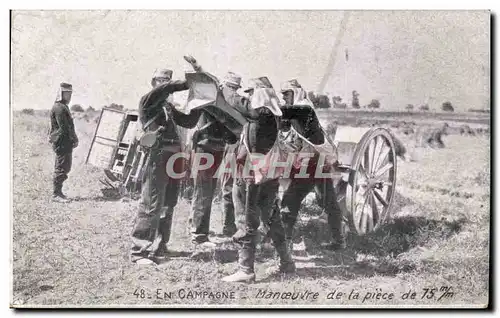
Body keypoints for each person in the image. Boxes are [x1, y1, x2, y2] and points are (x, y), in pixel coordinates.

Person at [130, 55, 205, 265]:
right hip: (158, 155)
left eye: (166, 80)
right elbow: (166, 90)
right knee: (151, 202)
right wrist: (190, 80)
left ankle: (161, 245)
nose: (163, 84)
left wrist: (200, 102)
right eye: (160, 81)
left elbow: (189, 122)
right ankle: (139, 251)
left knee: (169, 202)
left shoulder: (168, 107)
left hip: (175, 155)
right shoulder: (147, 101)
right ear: (154, 84)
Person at [222, 77, 295, 283]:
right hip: (268, 176)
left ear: (260, 94)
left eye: (252, 92)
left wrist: (226, 89)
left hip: (252, 176)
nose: (249, 96)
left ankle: (246, 270)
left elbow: (239, 103)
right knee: (272, 218)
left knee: (246, 220)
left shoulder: (261, 114)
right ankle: (287, 262)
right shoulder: (273, 115)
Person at [278, 79, 346, 251]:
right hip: (312, 162)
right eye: (283, 94)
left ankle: (284, 244)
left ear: (296, 92)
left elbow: (284, 113)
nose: (284, 97)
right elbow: (284, 126)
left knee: (290, 200)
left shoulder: (304, 108)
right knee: (328, 201)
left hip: (313, 163)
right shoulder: (296, 110)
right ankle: (339, 240)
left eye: (286, 93)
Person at [188, 72, 243, 245]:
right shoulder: (212, 100)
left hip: (215, 149)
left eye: (236, 88)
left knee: (207, 191)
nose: (234, 91)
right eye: (231, 87)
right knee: (203, 191)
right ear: (222, 86)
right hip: (205, 148)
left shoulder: (225, 103)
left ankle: (198, 228)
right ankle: (198, 234)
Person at [48, 82, 78, 203]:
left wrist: (74, 138)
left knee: (65, 166)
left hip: (65, 141)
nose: (69, 96)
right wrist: (73, 139)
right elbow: (64, 128)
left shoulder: (63, 106)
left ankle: (59, 193)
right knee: (61, 167)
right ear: (61, 93)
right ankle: (56, 194)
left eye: (70, 93)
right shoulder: (59, 107)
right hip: (62, 141)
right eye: (67, 93)